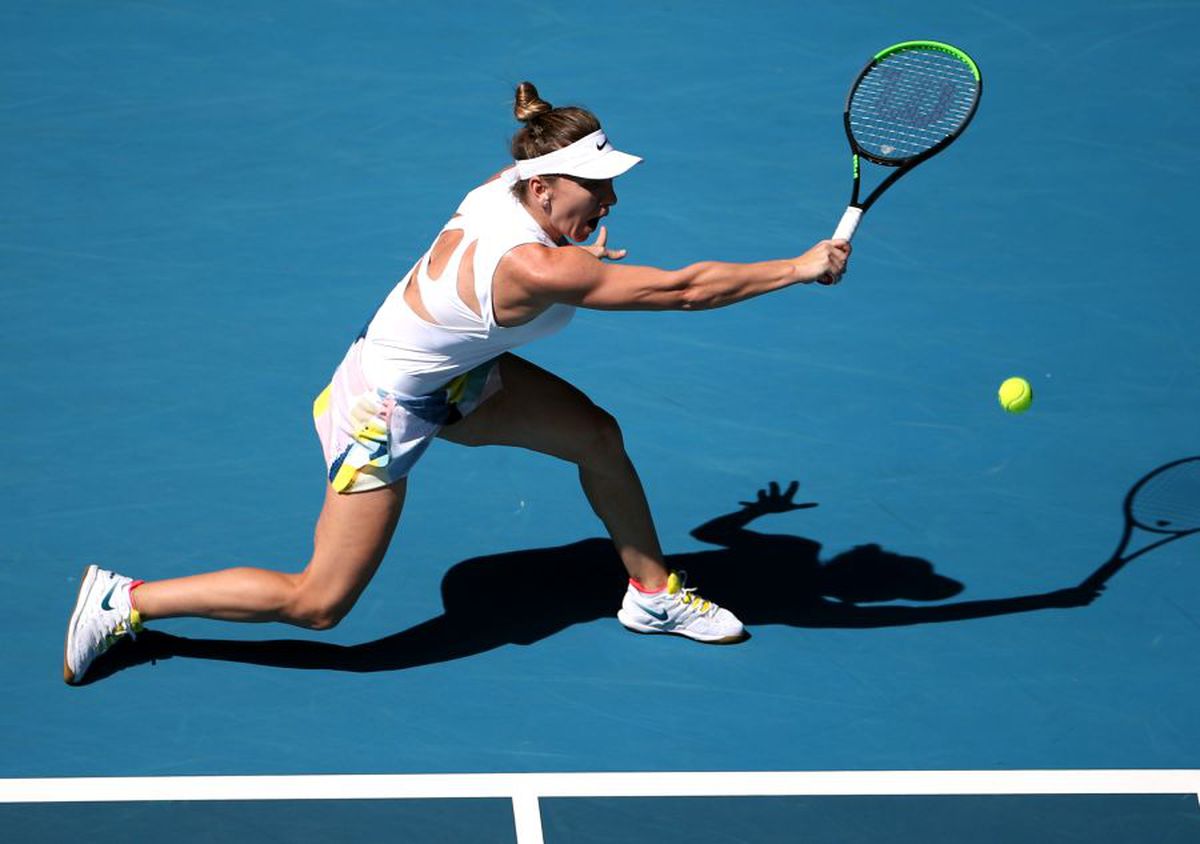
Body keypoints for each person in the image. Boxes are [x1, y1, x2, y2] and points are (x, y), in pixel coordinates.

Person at [63, 82, 850, 685]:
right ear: (543, 188)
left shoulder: (512, 188)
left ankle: (651, 592)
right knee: (319, 604)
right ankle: (125, 600)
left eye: (609, 183)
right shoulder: (537, 264)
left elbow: (559, 235)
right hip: (385, 405)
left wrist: (743, 523)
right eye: (593, 186)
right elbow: (684, 291)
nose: (610, 199)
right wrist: (798, 266)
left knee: (599, 439)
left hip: (454, 375)